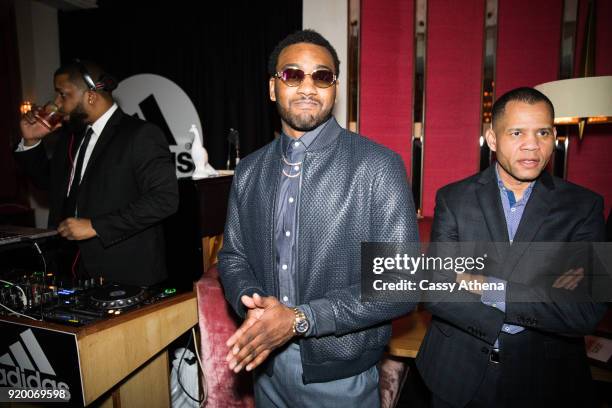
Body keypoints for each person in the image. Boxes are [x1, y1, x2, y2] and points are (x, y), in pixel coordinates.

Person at [217, 29, 419, 407]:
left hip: (342, 372)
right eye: (292, 74)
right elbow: (233, 256)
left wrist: (298, 319)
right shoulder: (249, 171)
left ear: (335, 89)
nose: (308, 86)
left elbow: (400, 283)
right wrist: (253, 301)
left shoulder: (378, 166)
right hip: (268, 368)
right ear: (273, 88)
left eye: (322, 76)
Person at [416, 87, 607, 407]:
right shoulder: (455, 198)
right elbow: (436, 290)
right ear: (492, 139)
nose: (531, 145)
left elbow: (584, 311)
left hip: (543, 376)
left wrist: (488, 285)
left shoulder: (583, 207)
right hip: (456, 370)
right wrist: (542, 292)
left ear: (554, 136)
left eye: (543, 132)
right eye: (517, 132)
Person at [15, 60, 178, 286]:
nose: (57, 103)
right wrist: (31, 141)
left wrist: (95, 226)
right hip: (69, 271)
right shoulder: (71, 138)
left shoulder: (140, 135)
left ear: (90, 97)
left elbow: (164, 200)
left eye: (63, 95)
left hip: (124, 274)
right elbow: (48, 184)